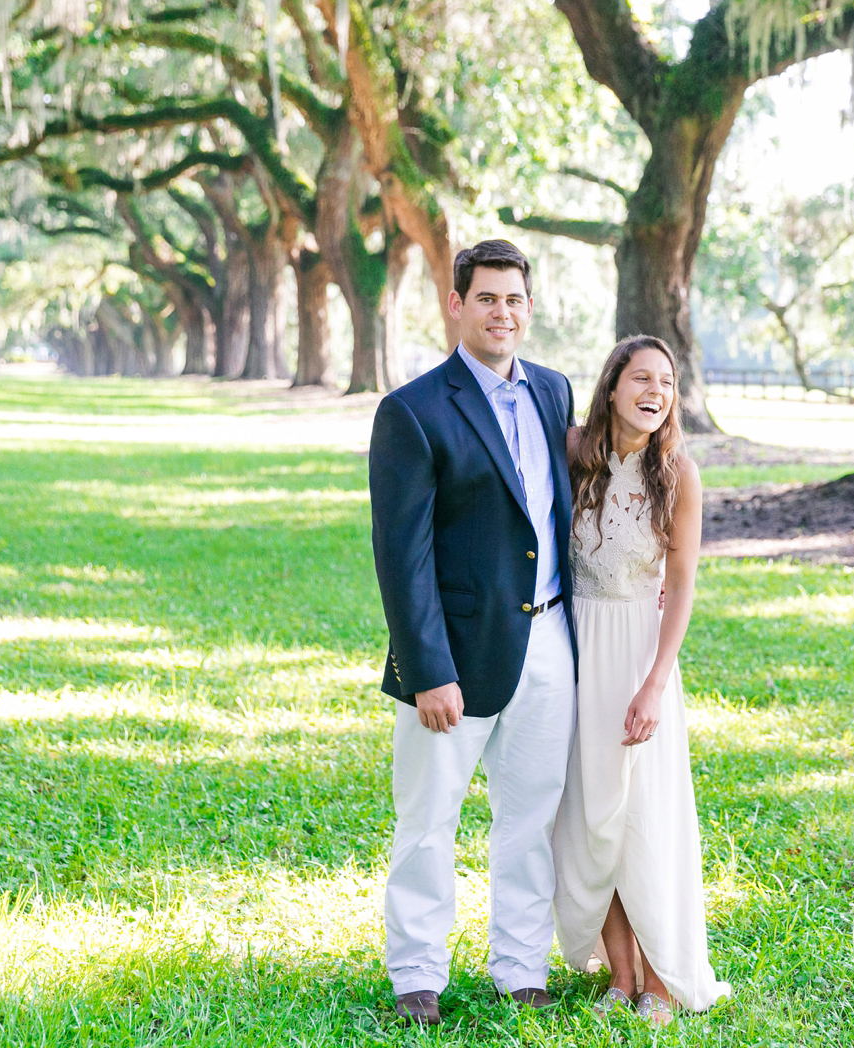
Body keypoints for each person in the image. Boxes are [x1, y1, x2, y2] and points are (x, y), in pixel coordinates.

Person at [368, 239, 577, 1027]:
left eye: (515, 299)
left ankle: (522, 968)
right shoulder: (413, 411)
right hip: (452, 654)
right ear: (456, 305)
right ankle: (417, 974)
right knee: (428, 820)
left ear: (530, 307)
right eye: (486, 298)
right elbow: (402, 554)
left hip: (552, 639)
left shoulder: (555, 392)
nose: (502, 312)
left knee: (531, 815)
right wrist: (427, 669)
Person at [551, 334, 731, 1026]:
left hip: (639, 656)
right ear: (613, 387)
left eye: (667, 381)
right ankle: (620, 976)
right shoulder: (575, 456)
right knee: (594, 819)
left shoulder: (679, 473)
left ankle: (661, 979)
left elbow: (682, 588)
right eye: (642, 379)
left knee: (646, 818)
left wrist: (655, 683)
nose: (655, 391)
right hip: (577, 652)